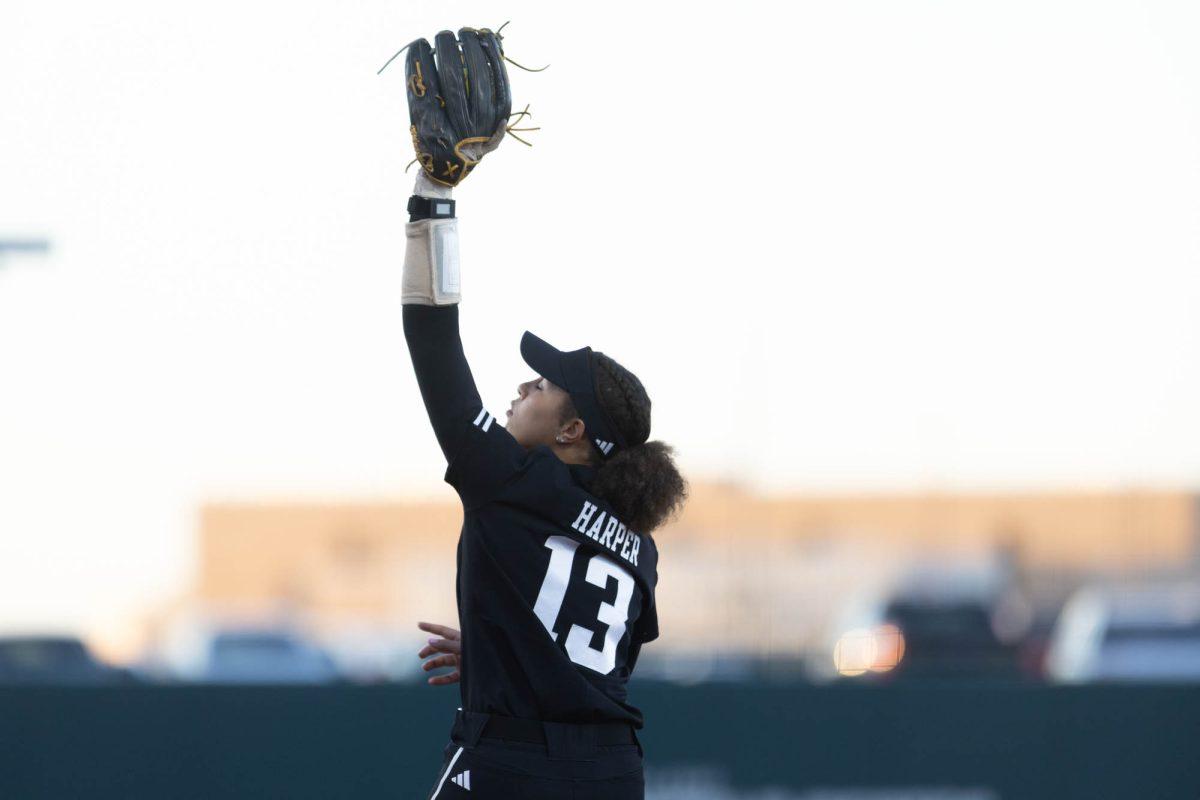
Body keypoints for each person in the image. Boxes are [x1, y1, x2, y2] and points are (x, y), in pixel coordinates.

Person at [400, 78, 689, 800]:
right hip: (610, 774)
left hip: (511, 764)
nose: (524, 389)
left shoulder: (509, 478)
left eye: (543, 387)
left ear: (571, 430)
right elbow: (592, 668)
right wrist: (507, 653)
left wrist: (434, 190)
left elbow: (430, 337)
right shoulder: (640, 547)